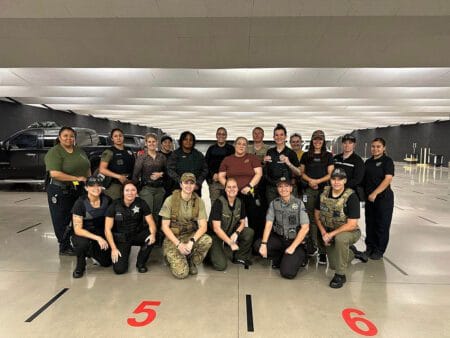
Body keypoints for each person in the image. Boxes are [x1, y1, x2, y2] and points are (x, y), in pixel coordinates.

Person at [314, 168, 367, 289]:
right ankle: (352, 253)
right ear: (330, 180)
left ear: (345, 180)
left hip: (349, 232)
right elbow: (317, 216)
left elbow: (352, 224)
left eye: (340, 179)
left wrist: (331, 234)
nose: (336, 182)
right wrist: (323, 233)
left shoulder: (351, 197)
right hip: (329, 231)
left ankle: (340, 275)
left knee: (341, 239)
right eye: (333, 179)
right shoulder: (323, 194)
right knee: (333, 264)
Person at [45, 126, 90, 255]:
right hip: (60, 190)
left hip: (77, 189)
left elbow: (87, 167)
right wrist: (76, 178)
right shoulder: (55, 152)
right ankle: (64, 247)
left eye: (71, 136)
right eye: (65, 135)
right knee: (62, 218)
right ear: (59, 137)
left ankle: (77, 242)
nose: (69, 138)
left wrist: (89, 181)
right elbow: (55, 174)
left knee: (77, 216)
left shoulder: (79, 151)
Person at [159, 173, 212, 279]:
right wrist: (178, 244)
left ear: (195, 185)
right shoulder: (170, 200)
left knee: (207, 240)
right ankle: (171, 256)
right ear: (181, 184)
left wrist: (192, 242)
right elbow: (164, 226)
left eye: (191, 183)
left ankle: (191, 261)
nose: (188, 186)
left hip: (189, 235)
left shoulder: (198, 201)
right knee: (182, 273)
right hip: (174, 238)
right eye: (186, 183)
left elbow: (203, 226)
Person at [255, 177, 309, 279]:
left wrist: (292, 247)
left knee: (287, 273)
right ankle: (282, 256)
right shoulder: (274, 203)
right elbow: (269, 223)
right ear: (277, 188)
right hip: (280, 238)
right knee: (258, 246)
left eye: (286, 186)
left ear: (291, 188)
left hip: (295, 242)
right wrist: (264, 243)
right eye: (280, 186)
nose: (283, 189)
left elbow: (305, 228)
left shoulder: (298, 203)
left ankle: (300, 257)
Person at [104, 181, 156, 274]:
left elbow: (151, 222)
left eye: (133, 190)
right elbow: (107, 229)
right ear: (122, 192)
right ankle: (124, 257)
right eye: (127, 190)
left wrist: (153, 234)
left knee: (150, 237)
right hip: (122, 238)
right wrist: (113, 248)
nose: (130, 193)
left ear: (136, 192)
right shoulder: (114, 205)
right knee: (119, 270)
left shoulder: (141, 203)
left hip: (137, 234)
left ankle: (140, 263)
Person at [218, 137, 265, 240]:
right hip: (232, 195)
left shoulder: (253, 158)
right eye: (239, 143)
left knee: (255, 218)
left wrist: (249, 186)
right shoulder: (227, 159)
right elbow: (221, 176)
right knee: (233, 219)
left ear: (247, 147)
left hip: (249, 192)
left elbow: (259, 173)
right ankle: (230, 240)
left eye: (244, 144)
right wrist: (230, 187)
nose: (241, 146)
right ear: (235, 145)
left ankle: (256, 243)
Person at [300, 130, 334, 265]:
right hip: (309, 190)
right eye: (315, 139)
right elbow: (302, 172)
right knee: (309, 219)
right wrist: (310, 181)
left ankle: (322, 251)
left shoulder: (328, 156)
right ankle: (312, 247)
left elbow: (330, 174)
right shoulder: (306, 155)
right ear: (312, 140)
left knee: (321, 219)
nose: (317, 142)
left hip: (323, 191)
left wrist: (317, 182)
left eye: (320, 140)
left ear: (323, 141)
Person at [207, 178, 254, 270]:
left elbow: (242, 222)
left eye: (234, 187)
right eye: (229, 187)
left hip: (230, 231)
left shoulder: (240, 202)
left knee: (249, 232)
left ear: (237, 189)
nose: (232, 189)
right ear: (225, 189)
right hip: (216, 235)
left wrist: (236, 233)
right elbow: (216, 229)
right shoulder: (219, 203)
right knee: (221, 266)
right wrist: (230, 242)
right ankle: (209, 254)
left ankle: (239, 257)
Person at [71, 176, 112, 278]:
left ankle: (91, 252)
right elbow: (78, 230)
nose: (96, 188)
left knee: (106, 263)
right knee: (82, 244)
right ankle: (80, 265)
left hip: (101, 232)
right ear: (86, 188)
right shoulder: (80, 203)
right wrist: (98, 238)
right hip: (84, 233)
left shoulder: (107, 200)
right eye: (92, 186)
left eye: (98, 186)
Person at [363, 138, 395, 260]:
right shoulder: (368, 162)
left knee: (382, 225)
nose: (375, 149)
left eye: (378, 146)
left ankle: (379, 250)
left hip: (383, 199)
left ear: (384, 148)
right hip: (370, 200)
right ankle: (369, 247)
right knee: (370, 224)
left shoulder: (387, 161)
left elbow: (388, 179)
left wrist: (375, 193)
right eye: (373, 146)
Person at [132, 133, 167, 243]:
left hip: (159, 189)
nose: (152, 143)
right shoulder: (142, 157)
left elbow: (167, 172)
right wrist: (134, 190)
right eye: (149, 142)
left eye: (153, 141)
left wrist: (160, 174)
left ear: (157, 143)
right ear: (146, 143)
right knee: (148, 213)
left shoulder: (162, 157)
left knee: (157, 213)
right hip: (147, 189)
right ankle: (147, 236)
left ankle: (154, 236)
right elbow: (135, 175)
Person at [264, 124, 301, 203]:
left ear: (285, 137)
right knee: (272, 211)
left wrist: (288, 163)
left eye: (281, 135)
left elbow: (299, 172)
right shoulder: (270, 152)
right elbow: (265, 170)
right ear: (273, 137)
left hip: (287, 188)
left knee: (289, 212)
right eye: (276, 135)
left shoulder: (291, 153)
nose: (279, 137)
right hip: (272, 188)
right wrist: (264, 162)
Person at [167, 131, 208, 196]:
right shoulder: (175, 154)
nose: (188, 142)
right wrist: (181, 182)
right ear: (181, 141)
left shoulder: (199, 155)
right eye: (185, 139)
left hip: (195, 190)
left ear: (193, 142)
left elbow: (205, 170)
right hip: (178, 189)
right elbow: (170, 170)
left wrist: (198, 183)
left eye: (190, 140)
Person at [98, 128, 135, 200]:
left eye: (120, 136)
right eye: (115, 136)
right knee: (115, 206)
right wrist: (119, 176)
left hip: (128, 183)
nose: (118, 138)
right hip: (115, 185)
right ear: (112, 139)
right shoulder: (109, 152)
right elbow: (102, 170)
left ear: (123, 137)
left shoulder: (129, 150)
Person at [205, 127, 235, 205]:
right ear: (216, 136)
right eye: (219, 134)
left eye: (223, 134)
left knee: (228, 205)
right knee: (215, 205)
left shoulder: (231, 149)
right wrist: (212, 175)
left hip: (227, 182)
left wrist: (222, 175)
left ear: (226, 136)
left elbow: (234, 165)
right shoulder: (211, 149)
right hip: (214, 183)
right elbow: (206, 165)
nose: (221, 135)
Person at [333, 134, 365, 201]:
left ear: (354, 145)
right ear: (342, 144)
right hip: (335, 191)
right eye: (345, 143)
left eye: (350, 143)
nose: (347, 145)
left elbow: (357, 179)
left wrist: (341, 186)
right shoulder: (336, 158)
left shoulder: (358, 161)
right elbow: (330, 173)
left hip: (350, 194)